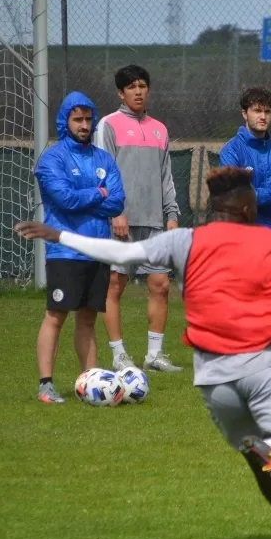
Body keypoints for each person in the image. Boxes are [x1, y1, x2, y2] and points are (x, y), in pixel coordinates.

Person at [15, 167, 271, 539]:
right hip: (261, 364)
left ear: (215, 209)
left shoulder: (184, 241)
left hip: (213, 381)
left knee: (259, 461)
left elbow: (124, 252)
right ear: (248, 209)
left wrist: (59, 234)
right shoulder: (268, 244)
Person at [32, 91, 126, 404]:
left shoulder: (104, 158)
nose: (84, 125)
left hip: (97, 249)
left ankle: (93, 385)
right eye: (78, 119)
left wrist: (92, 196)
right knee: (56, 315)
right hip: (65, 252)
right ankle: (46, 384)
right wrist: (99, 192)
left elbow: (117, 201)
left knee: (88, 318)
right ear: (66, 122)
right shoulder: (52, 159)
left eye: (88, 119)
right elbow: (65, 200)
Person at [93, 64, 182, 373]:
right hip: (121, 222)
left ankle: (154, 356)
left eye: (142, 85)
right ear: (121, 92)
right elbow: (102, 174)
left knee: (160, 286)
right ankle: (119, 356)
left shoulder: (160, 129)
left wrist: (171, 213)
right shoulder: (108, 125)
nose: (138, 91)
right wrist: (115, 211)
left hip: (155, 223)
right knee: (115, 286)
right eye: (131, 87)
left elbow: (166, 176)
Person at [218, 86, 271, 247]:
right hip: (242, 243)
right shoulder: (231, 151)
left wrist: (254, 198)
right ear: (245, 114)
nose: (263, 116)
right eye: (257, 111)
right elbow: (234, 198)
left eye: (267, 112)